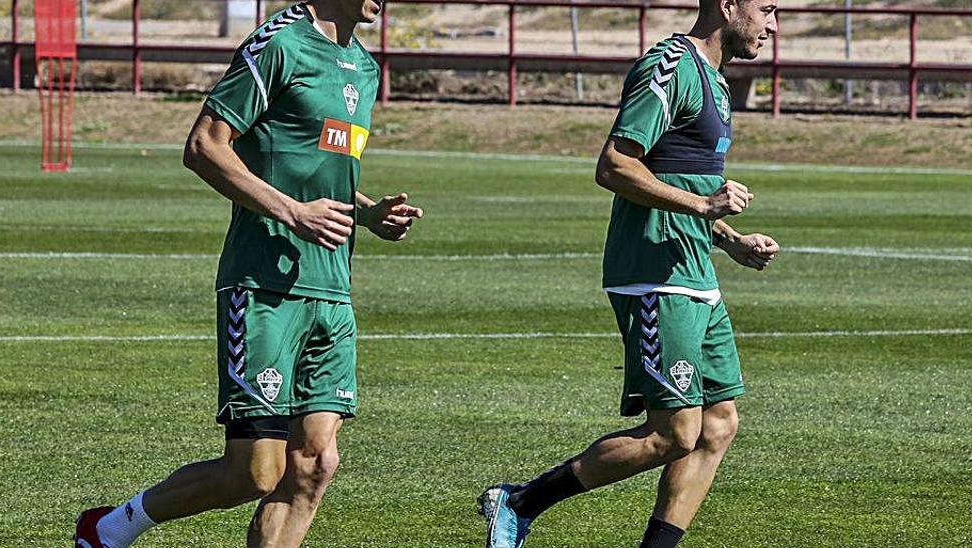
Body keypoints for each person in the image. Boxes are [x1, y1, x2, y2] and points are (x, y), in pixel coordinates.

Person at [74, 2, 421, 547]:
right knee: (255, 473)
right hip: (261, 286)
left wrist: (367, 212)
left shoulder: (363, 64)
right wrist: (292, 212)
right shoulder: (278, 44)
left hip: (331, 288)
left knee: (314, 465)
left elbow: (312, 165)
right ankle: (110, 529)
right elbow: (205, 145)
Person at [479, 1, 780, 547]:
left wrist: (731, 240)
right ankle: (520, 501)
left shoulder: (717, 82)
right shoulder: (669, 66)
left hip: (692, 272)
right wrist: (702, 208)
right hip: (652, 274)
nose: (774, 25)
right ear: (728, 5)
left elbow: (682, 183)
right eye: (767, 8)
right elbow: (615, 164)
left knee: (718, 424)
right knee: (674, 433)